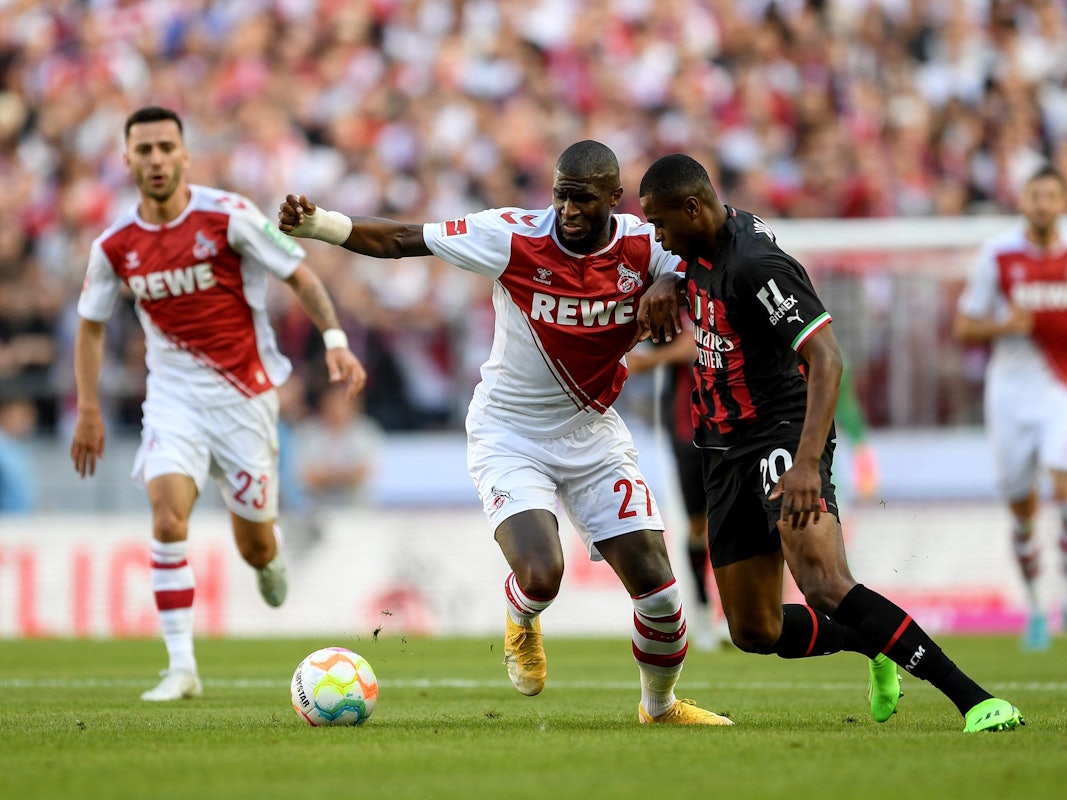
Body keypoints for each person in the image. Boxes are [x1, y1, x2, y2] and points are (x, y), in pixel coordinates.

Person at [278, 140, 731, 725]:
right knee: (543, 575)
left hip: (592, 433)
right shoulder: (513, 235)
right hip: (509, 433)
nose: (567, 211)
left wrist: (673, 283)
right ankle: (522, 617)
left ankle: (659, 708)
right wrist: (321, 223)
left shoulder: (649, 246)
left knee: (663, 595)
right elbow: (402, 239)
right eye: (561, 196)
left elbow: (718, 248)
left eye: (583, 200)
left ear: (615, 200)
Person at [636, 152, 1023, 733]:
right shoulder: (702, 247)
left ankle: (976, 700)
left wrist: (808, 462)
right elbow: (691, 268)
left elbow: (827, 357)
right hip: (721, 448)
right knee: (753, 630)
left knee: (823, 582)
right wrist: (671, 277)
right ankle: (870, 643)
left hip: (781, 434)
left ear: (692, 207)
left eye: (659, 223)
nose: (655, 235)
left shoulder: (757, 264)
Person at [70, 106, 366, 702]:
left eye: (165, 148)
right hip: (173, 400)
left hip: (244, 399)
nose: (155, 159)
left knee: (253, 545)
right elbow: (91, 326)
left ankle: (270, 553)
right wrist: (89, 408)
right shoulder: (115, 246)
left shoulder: (227, 216)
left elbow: (301, 277)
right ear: (126, 160)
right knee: (166, 518)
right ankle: (182, 666)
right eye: (143, 149)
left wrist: (335, 340)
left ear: (184, 156)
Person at [953, 165, 1067, 652]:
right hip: (1009, 394)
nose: (1042, 203)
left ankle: (1062, 596)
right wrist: (1005, 325)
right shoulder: (998, 255)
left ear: (1061, 203)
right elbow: (963, 327)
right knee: (1022, 508)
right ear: (1022, 200)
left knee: (1063, 483)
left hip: (1059, 389)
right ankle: (1036, 606)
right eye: (1034, 194)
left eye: (1050, 195)